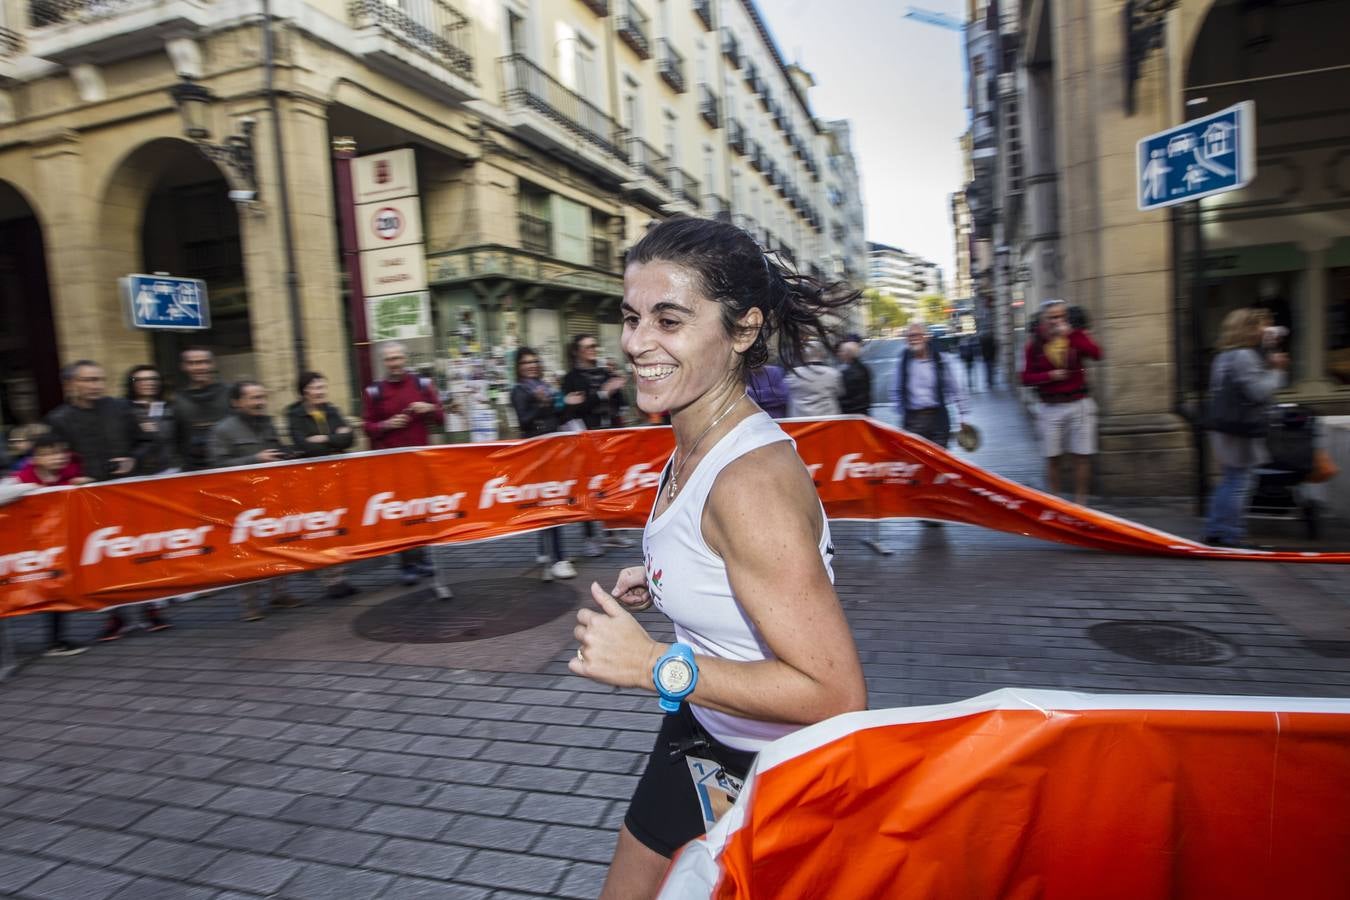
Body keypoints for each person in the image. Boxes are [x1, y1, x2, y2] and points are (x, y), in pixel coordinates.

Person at [570, 216, 866, 898]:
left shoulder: (748, 483)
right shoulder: (696, 441)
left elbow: (835, 695)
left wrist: (654, 666)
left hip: (770, 764)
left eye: (669, 321)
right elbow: (739, 566)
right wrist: (671, 578)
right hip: (703, 732)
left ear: (742, 329)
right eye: (631, 317)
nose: (637, 343)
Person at [98, 365, 178, 642]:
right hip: (117, 487)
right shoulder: (121, 409)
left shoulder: (166, 407)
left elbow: (153, 440)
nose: (146, 384)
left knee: (148, 546)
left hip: (151, 481)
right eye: (140, 380)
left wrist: (138, 455)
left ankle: (152, 606)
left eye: (152, 379)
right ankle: (117, 614)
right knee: (111, 552)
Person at [210, 380, 300, 620]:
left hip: (269, 495)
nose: (260, 402)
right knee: (247, 553)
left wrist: (287, 453)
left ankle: (279, 593)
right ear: (237, 402)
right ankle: (250, 604)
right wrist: (255, 458)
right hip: (241, 502)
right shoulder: (223, 430)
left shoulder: (268, 423)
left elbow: (277, 449)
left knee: (277, 545)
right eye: (253, 398)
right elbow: (217, 464)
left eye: (262, 397)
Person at [1203, 307, 1289, 548]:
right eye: (1260, 325)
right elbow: (1258, 392)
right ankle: (1232, 535)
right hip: (1241, 428)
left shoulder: (1223, 356)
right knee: (1240, 482)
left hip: (1224, 426)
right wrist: (1277, 371)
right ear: (1249, 328)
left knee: (1229, 480)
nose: (1264, 330)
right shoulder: (1244, 357)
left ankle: (1216, 529)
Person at [362, 342, 443, 585]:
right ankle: (407, 563)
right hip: (392, 463)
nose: (395, 363)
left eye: (398, 358)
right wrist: (386, 425)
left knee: (421, 511)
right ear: (383, 363)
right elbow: (367, 426)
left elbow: (440, 418)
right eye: (389, 360)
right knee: (400, 515)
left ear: (405, 359)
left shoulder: (423, 384)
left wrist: (428, 407)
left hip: (419, 461)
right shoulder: (373, 392)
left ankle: (424, 557)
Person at [12, 433, 92, 656]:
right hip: (25, 546)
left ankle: (56, 640)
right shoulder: (21, 480)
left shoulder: (71, 477)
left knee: (57, 587)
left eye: (61, 452)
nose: (58, 457)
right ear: (35, 458)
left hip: (56, 545)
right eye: (50, 453)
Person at [1020, 298, 1103, 505]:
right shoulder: (1035, 344)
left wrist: (1073, 335)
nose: (1057, 321)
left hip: (1079, 403)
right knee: (1052, 456)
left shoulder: (1075, 336)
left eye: (1061, 317)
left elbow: (1096, 354)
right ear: (1044, 320)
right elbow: (1025, 378)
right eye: (1052, 318)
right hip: (1050, 407)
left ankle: (1080, 503)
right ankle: (1057, 504)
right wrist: (1049, 376)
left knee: (1082, 455)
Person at [561, 334, 635, 557]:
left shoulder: (604, 372)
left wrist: (618, 388)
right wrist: (603, 393)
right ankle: (590, 537)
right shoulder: (571, 378)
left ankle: (612, 532)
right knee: (587, 488)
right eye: (588, 346)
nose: (593, 349)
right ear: (577, 351)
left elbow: (621, 402)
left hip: (610, 437)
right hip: (585, 439)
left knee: (612, 486)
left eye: (594, 345)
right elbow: (574, 409)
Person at [286, 371, 358, 598]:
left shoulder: (331, 409)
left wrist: (325, 439)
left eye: (323, 388)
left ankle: (340, 576)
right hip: (312, 478)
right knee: (322, 527)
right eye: (317, 388)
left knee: (339, 525)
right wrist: (335, 438)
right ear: (305, 390)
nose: (321, 392)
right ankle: (330, 579)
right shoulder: (294, 414)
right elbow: (306, 446)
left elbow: (350, 437)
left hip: (336, 474)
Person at [510, 347, 577, 582]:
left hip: (553, 450)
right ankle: (558, 558)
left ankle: (544, 551)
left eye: (534, 361)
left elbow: (559, 418)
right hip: (535, 453)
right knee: (549, 504)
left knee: (547, 502)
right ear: (518, 367)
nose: (531, 365)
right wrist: (541, 403)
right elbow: (524, 421)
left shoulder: (545, 387)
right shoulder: (519, 391)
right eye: (526, 362)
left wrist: (567, 403)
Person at [45, 360, 142, 482]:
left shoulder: (121, 407)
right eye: (88, 380)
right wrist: (72, 475)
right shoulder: (58, 418)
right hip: (85, 487)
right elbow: (56, 457)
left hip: (127, 482)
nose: (97, 386)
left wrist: (134, 459)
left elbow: (146, 441)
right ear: (69, 384)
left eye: (101, 380)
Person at [894, 323, 970, 449]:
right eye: (909, 336)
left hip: (938, 419)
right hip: (913, 421)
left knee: (939, 460)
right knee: (917, 461)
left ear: (926, 337)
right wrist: (902, 412)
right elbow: (896, 390)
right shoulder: (903, 361)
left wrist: (963, 416)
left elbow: (955, 388)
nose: (913, 338)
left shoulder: (941, 359)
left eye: (917, 335)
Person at [173, 347, 232, 472]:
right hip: (193, 468)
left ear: (213, 364)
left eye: (204, 362)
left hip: (229, 463)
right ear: (183, 366)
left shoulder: (231, 393)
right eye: (192, 363)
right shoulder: (176, 400)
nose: (199, 368)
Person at [125, 365, 177, 476]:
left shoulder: (171, 409)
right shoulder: (124, 409)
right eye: (140, 380)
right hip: (136, 474)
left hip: (169, 471)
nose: (149, 383)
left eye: (153, 379)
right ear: (131, 383)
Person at [784, 340, 843, 416]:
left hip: (800, 421)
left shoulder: (793, 374)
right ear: (822, 354)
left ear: (803, 355)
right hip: (828, 419)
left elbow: (786, 393)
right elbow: (840, 393)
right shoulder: (833, 373)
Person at [837, 340, 872, 416]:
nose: (839, 354)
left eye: (841, 351)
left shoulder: (849, 372)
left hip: (852, 414)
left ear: (848, 354)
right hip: (862, 411)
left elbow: (847, 395)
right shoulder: (863, 367)